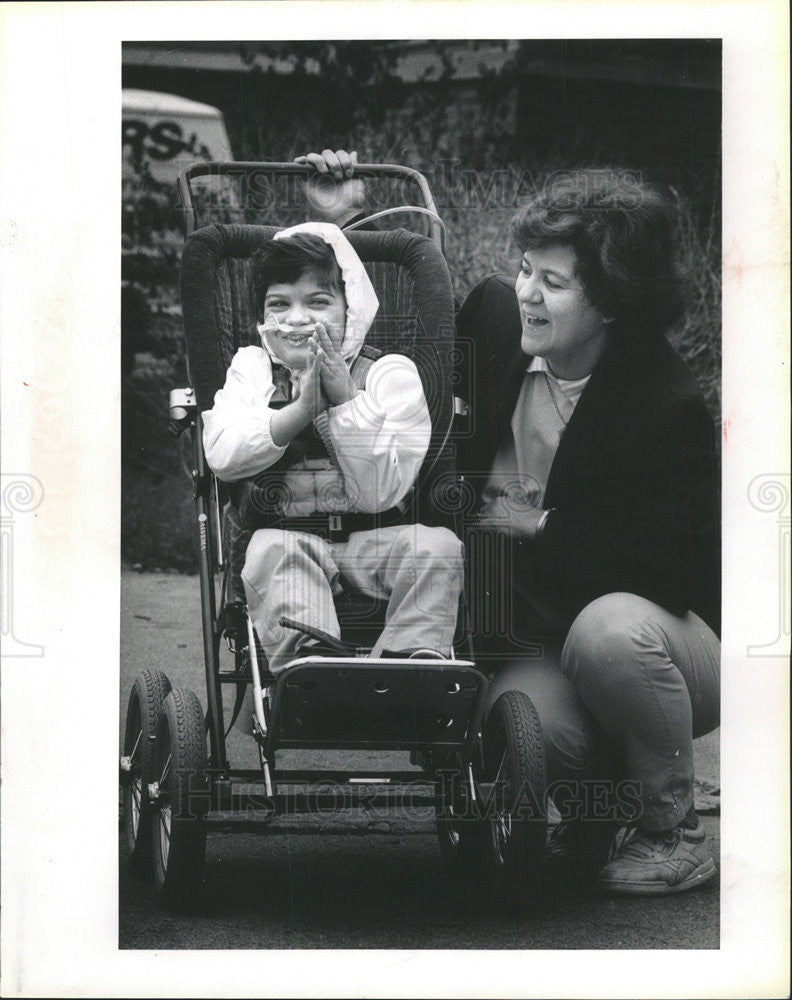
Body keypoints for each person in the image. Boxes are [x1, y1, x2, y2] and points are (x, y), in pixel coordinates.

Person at [302, 151, 721, 897]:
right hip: (533, 633)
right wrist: (341, 225)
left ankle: (674, 831)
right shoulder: (497, 322)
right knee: (527, 731)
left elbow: (677, 570)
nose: (527, 292)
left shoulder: (664, 403)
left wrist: (541, 525)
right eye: (526, 268)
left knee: (609, 636)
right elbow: (389, 334)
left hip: (661, 644)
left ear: (615, 300)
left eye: (552, 283)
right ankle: (599, 814)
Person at [202, 221, 464, 674]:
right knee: (268, 551)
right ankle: (313, 664)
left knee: (438, 547)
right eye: (279, 305)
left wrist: (343, 402)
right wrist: (298, 412)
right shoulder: (252, 369)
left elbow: (382, 492)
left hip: (375, 539)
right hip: (286, 536)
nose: (298, 319)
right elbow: (223, 455)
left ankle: (412, 662)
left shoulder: (388, 373)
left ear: (351, 310)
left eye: (318, 302)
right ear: (263, 319)